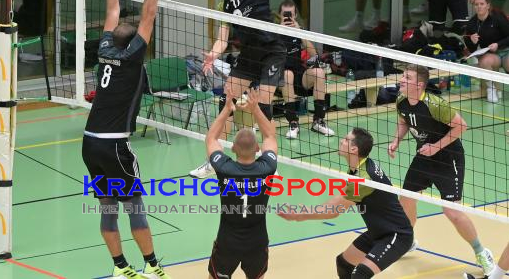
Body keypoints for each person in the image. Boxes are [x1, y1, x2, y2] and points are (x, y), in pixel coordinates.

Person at [82, 0, 171, 279]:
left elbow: (112, 10)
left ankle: (120, 268)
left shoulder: (104, 49)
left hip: (90, 143)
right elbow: (148, 15)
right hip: (114, 145)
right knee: (135, 207)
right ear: (134, 44)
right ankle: (152, 265)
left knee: (108, 208)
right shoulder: (133, 58)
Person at [189, 0, 287, 179]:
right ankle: (213, 159)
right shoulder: (224, 3)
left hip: (272, 51)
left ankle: (268, 161)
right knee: (228, 97)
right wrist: (212, 54)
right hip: (249, 55)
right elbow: (223, 37)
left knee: (263, 101)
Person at [388, 64, 495, 276]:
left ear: (419, 85)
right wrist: (396, 140)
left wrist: (436, 147)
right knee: (406, 199)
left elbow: (461, 126)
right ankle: (407, 240)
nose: (401, 80)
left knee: (451, 211)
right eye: (403, 76)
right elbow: (404, 120)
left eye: (406, 77)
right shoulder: (401, 100)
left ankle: (482, 253)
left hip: (448, 158)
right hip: (424, 156)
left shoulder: (435, 104)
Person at [279, 127, 413, 278]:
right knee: (344, 263)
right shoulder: (360, 167)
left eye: (345, 140)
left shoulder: (363, 179)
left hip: (396, 235)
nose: (341, 141)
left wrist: (298, 216)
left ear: (354, 149)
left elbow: (332, 211)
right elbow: (337, 200)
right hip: (378, 231)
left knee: (360, 274)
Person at [205, 87, 277, 279]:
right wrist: (255, 110)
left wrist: (227, 109)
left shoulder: (224, 168)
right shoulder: (267, 168)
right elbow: (270, 136)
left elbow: (211, 138)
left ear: (233, 148)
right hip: (257, 242)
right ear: (258, 149)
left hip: (228, 242)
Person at [277, 0, 334, 139]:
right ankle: (293, 122)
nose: (288, 17)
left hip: (298, 77)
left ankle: (318, 121)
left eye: (290, 14)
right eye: (285, 14)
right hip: (279, 78)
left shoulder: (299, 32)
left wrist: (299, 33)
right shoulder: (273, 32)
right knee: (287, 74)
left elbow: (314, 55)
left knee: (319, 72)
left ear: (295, 16)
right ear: (279, 15)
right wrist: (279, 30)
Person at [464, 0, 509, 102]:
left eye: (482, 4)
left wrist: (498, 44)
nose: (479, 7)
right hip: (491, 55)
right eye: (476, 4)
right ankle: (491, 88)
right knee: (485, 61)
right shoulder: (472, 24)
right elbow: (472, 50)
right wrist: (472, 42)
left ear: (488, 5)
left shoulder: (498, 17)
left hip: (506, 51)